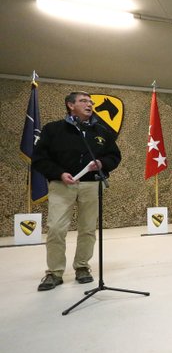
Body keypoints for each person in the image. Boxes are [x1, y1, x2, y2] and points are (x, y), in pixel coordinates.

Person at [32, 91, 121, 291]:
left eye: (90, 102)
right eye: (83, 101)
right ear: (70, 105)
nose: (89, 104)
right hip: (62, 185)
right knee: (56, 228)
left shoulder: (101, 130)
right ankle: (54, 273)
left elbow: (114, 156)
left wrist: (102, 163)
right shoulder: (53, 130)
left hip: (91, 185)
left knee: (88, 229)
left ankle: (82, 267)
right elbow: (39, 158)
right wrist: (59, 173)